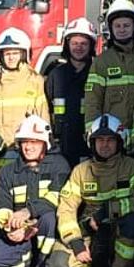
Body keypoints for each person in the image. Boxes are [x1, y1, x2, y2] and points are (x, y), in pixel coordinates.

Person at [48, 116, 134, 267]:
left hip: (120, 231)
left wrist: (108, 211)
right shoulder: (81, 170)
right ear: (92, 142)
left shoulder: (133, 167)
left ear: (120, 142)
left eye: (110, 140)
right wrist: (75, 242)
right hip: (92, 232)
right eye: (100, 140)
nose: (105, 145)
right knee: (56, 265)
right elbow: (67, 208)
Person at [0, 115, 70, 267]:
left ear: (45, 144)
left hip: (46, 228)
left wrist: (27, 212)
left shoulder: (59, 165)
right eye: (25, 141)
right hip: (21, 230)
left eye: (35, 142)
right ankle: (28, 263)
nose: (29, 147)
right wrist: (9, 228)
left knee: (49, 217)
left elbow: (58, 197)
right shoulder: (8, 172)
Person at [84, 0, 134, 154]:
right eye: (117, 26)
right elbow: (92, 102)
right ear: (110, 28)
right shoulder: (102, 62)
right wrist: (93, 136)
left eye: (126, 25)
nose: (122, 29)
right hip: (113, 141)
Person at [0, 28, 47, 169]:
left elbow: (43, 118)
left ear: (24, 54)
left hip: (25, 153)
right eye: (7, 54)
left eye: (15, 53)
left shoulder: (35, 81)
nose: (11, 58)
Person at [44, 19, 96, 165]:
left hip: (90, 148)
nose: (79, 47)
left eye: (84, 44)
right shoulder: (55, 75)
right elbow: (47, 110)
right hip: (61, 148)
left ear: (91, 45)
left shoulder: (97, 73)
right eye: (74, 43)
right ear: (67, 45)